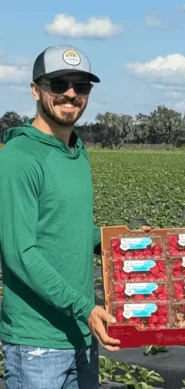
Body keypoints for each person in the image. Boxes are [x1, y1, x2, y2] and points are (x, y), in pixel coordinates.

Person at [0, 45, 121, 389]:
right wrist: (83, 307)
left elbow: (69, 229)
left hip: (80, 336)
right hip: (37, 342)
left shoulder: (75, 153)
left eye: (81, 86)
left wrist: (120, 241)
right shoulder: (20, 157)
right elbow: (21, 253)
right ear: (36, 89)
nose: (71, 93)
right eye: (59, 83)